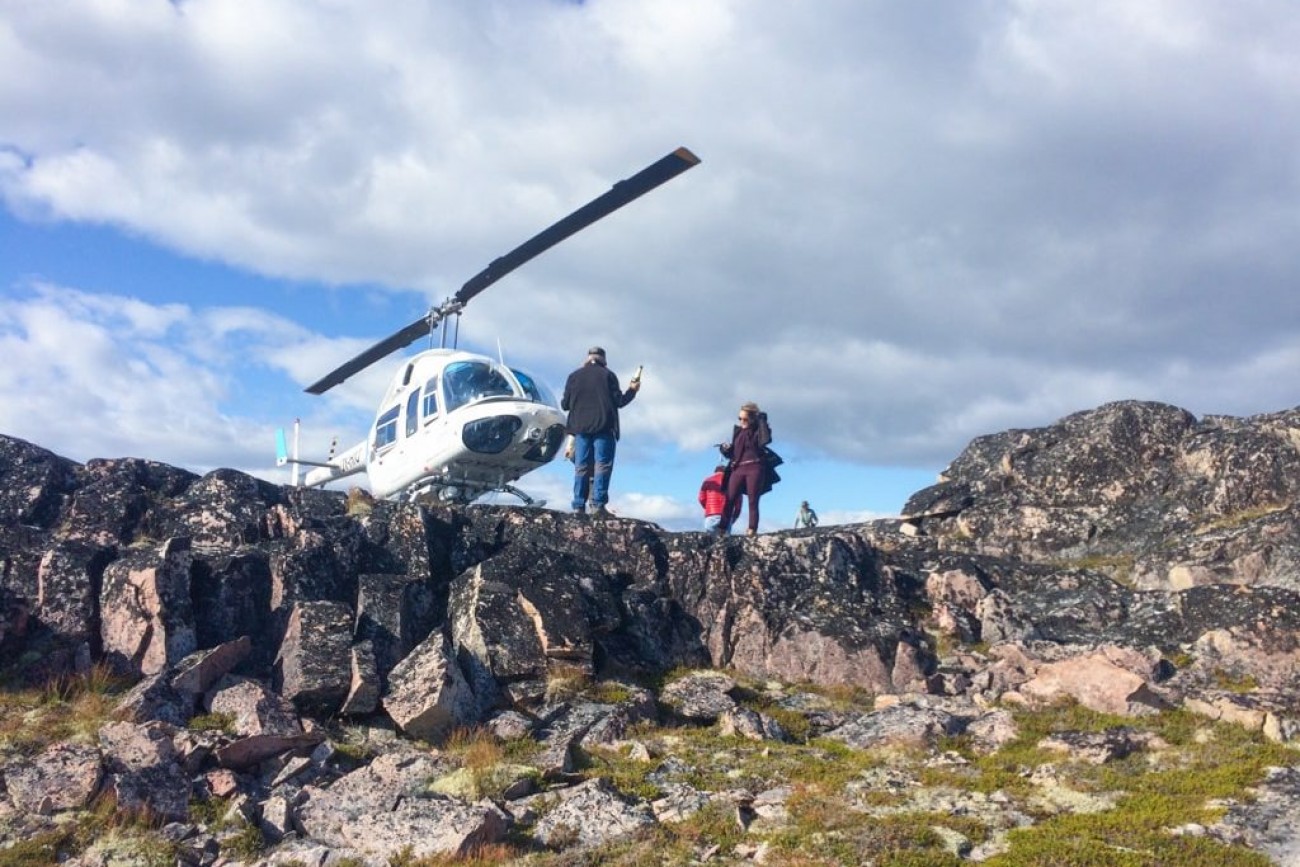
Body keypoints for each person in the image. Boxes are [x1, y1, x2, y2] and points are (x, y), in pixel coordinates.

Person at [561, 346, 640, 517]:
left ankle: (578, 506)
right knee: (602, 466)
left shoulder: (574, 376)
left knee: (581, 466)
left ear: (587, 358)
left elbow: (565, 404)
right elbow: (619, 401)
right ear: (603, 360)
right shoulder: (608, 375)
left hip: (580, 428)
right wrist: (633, 390)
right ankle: (597, 505)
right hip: (604, 426)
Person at [719, 401, 774, 536]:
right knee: (729, 497)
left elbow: (765, 440)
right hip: (738, 468)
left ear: (752, 419)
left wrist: (762, 419)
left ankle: (751, 529)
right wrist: (724, 449)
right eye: (740, 418)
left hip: (755, 467)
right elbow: (733, 453)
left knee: (753, 500)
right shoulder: (738, 433)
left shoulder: (759, 431)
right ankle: (721, 529)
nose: (742, 421)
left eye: (745, 419)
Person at [698, 464, 729, 532]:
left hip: (711, 515)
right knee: (725, 540)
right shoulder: (731, 481)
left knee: (710, 540)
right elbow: (738, 501)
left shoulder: (707, 481)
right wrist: (735, 516)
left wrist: (707, 508)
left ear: (715, 471)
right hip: (727, 515)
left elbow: (701, 498)